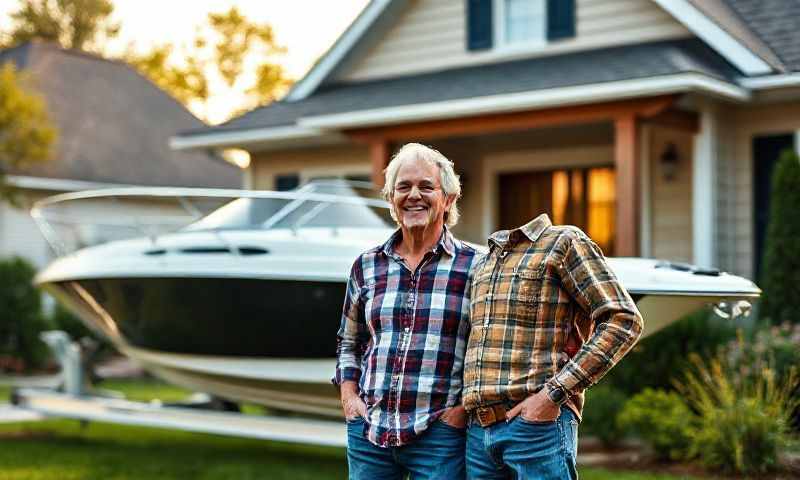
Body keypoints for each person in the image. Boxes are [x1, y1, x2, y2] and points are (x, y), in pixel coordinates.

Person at [334, 143, 480, 479]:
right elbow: (348, 341)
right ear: (391, 199)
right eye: (404, 187)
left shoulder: (477, 267)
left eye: (426, 186)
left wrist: (460, 411)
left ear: (449, 199)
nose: (414, 195)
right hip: (369, 429)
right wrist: (349, 399)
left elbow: (486, 351)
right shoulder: (366, 265)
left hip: (441, 433)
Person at [463, 214, 644, 479]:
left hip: (538, 428)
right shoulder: (483, 264)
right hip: (479, 434)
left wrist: (552, 396)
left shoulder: (564, 242)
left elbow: (624, 320)